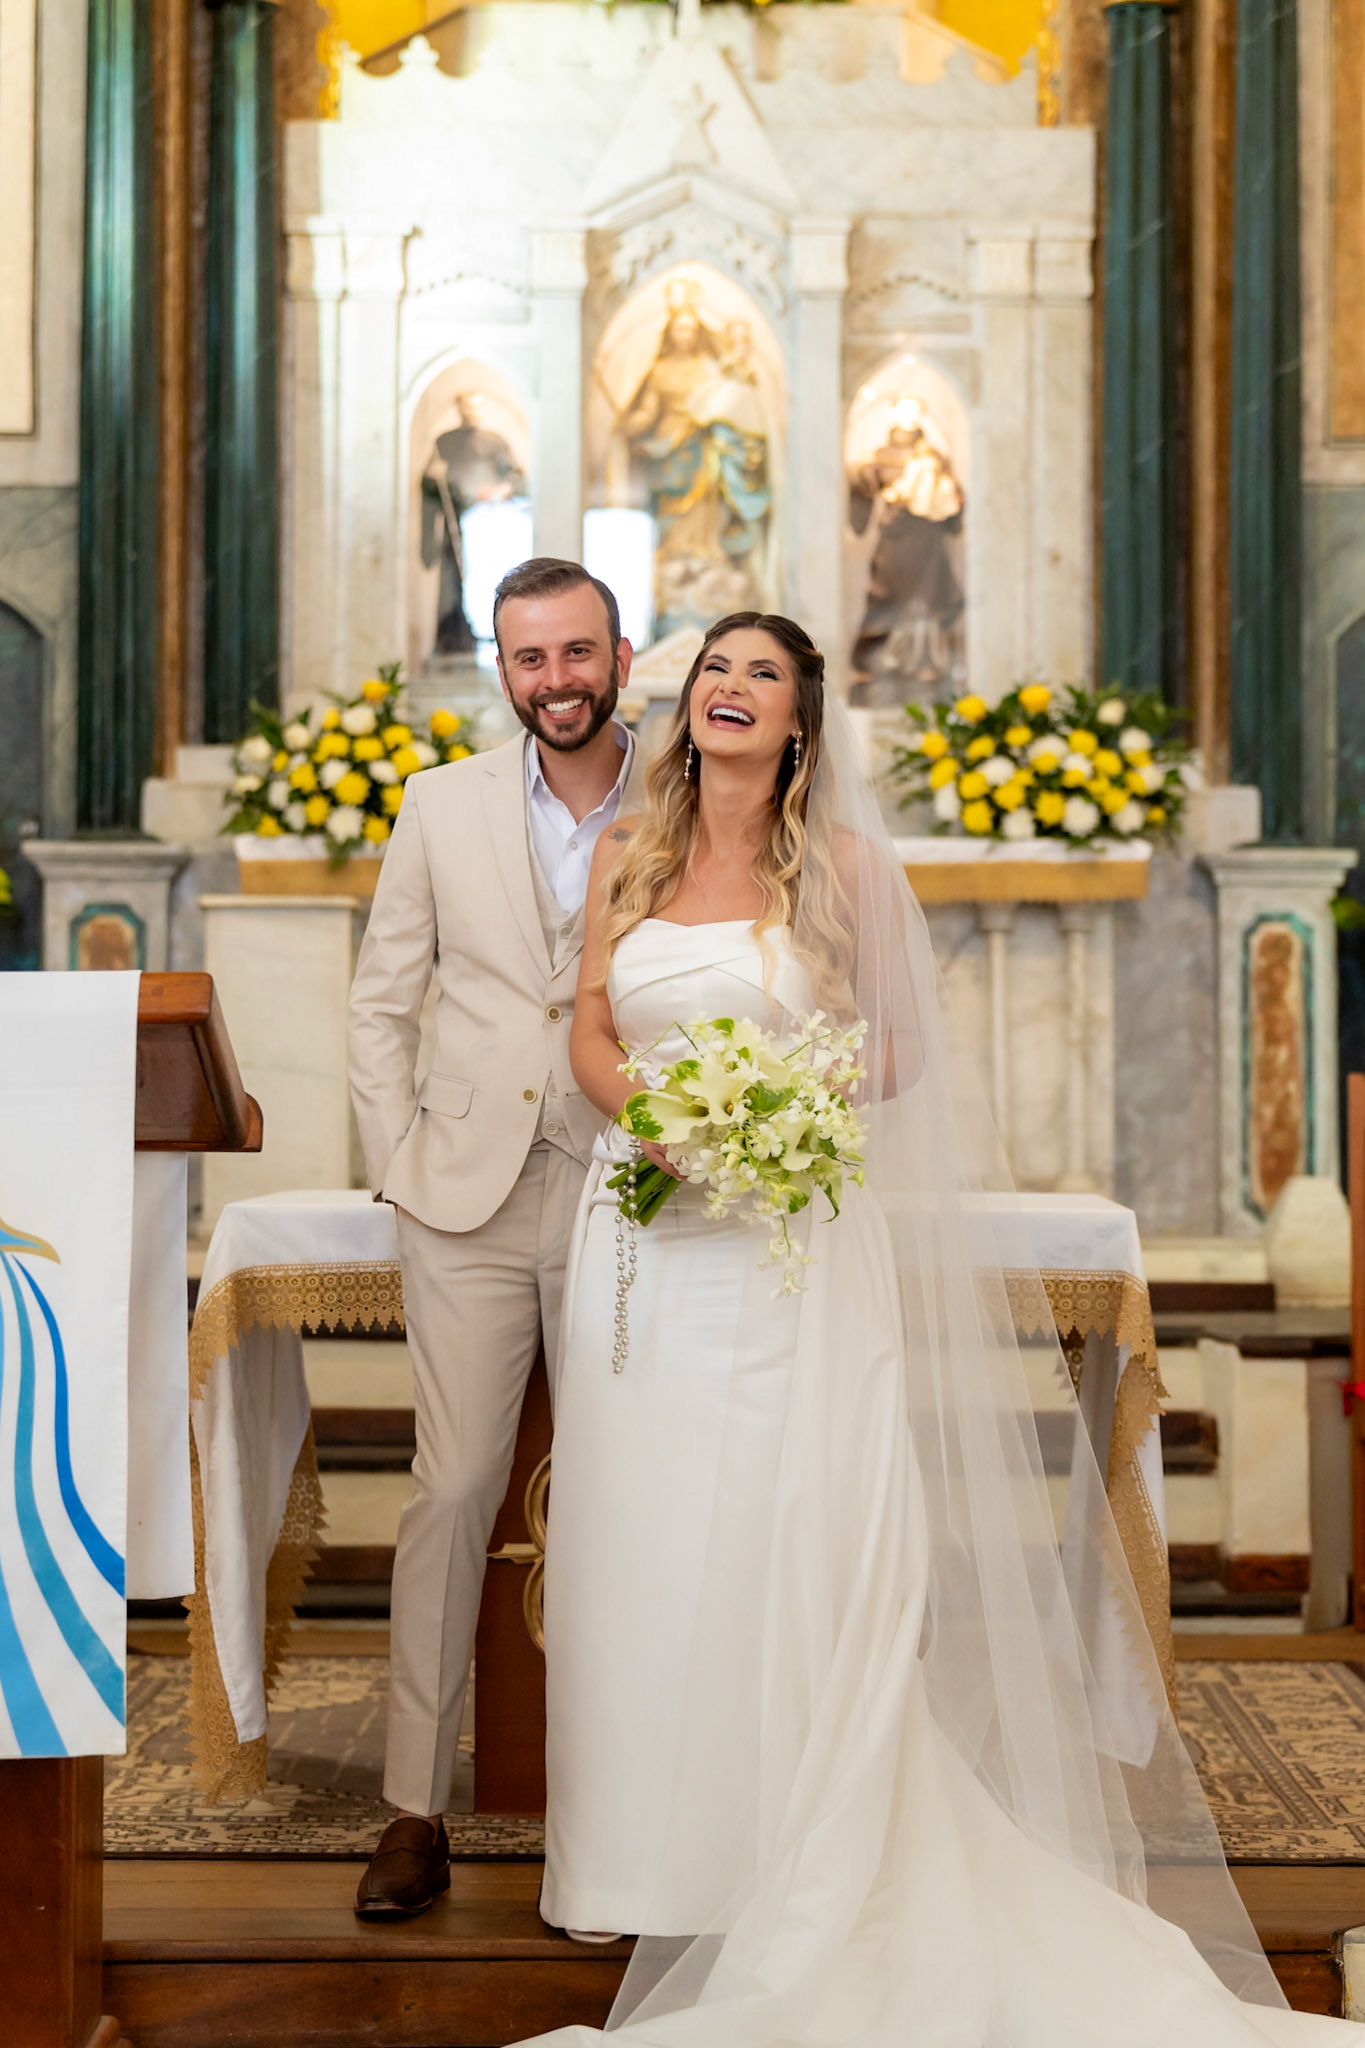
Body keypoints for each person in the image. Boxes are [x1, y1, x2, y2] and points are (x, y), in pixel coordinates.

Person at [529, 611, 1357, 2041]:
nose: (728, 690)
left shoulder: (842, 867)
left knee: (787, 1533)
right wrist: (660, 1120)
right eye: (713, 670)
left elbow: (899, 1046)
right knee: (643, 1536)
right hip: (649, 1239)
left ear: (800, 720)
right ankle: (642, 1856)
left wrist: (783, 1117)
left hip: (788, 1246)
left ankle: (785, 1853)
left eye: (760, 675)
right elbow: (591, 1028)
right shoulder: (630, 854)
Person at [346, 557, 644, 1917]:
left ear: (619, 655)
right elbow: (380, 997)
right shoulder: (437, 804)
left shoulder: (689, 796)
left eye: (576, 654)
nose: (556, 682)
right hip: (460, 1195)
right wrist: (394, 1162)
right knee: (453, 1489)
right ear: (502, 672)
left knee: (629, 1499)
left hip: (633, 1191)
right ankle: (413, 1807)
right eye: (530, 661)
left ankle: (634, 1801)